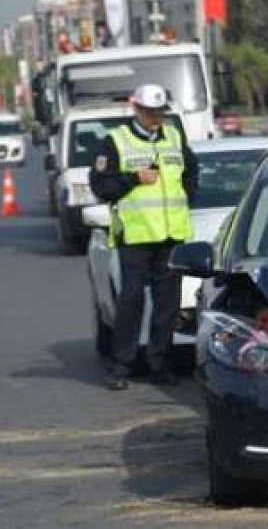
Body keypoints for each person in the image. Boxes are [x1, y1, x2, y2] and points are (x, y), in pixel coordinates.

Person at [89, 84, 199, 390]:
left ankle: (160, 365)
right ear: (134, 108)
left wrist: (186, 198)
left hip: (171, 234)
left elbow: (191, 172)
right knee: (131, 301)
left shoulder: (174, 137)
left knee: (167, 305)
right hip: (135, 236)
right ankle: (121, 366)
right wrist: (133, 178)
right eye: (150, 113)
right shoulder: (115, 141)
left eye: (160, 112)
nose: (155, 118)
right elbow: (101, 186)